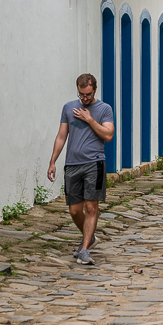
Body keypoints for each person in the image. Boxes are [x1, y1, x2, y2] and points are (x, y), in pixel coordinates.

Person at [48, 73, 115, 266]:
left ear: (95, 90)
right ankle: (90, 237)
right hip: (72, 164)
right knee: (75, 210)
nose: (84, 98)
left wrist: (90, 119)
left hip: (94, 163)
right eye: (81, 95)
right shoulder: (69, 108)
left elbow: (108, 135)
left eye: (87, 94)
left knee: (91, 207)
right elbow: (61, 136)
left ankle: (85, 249)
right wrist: (53, 161)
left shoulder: (104, 109)